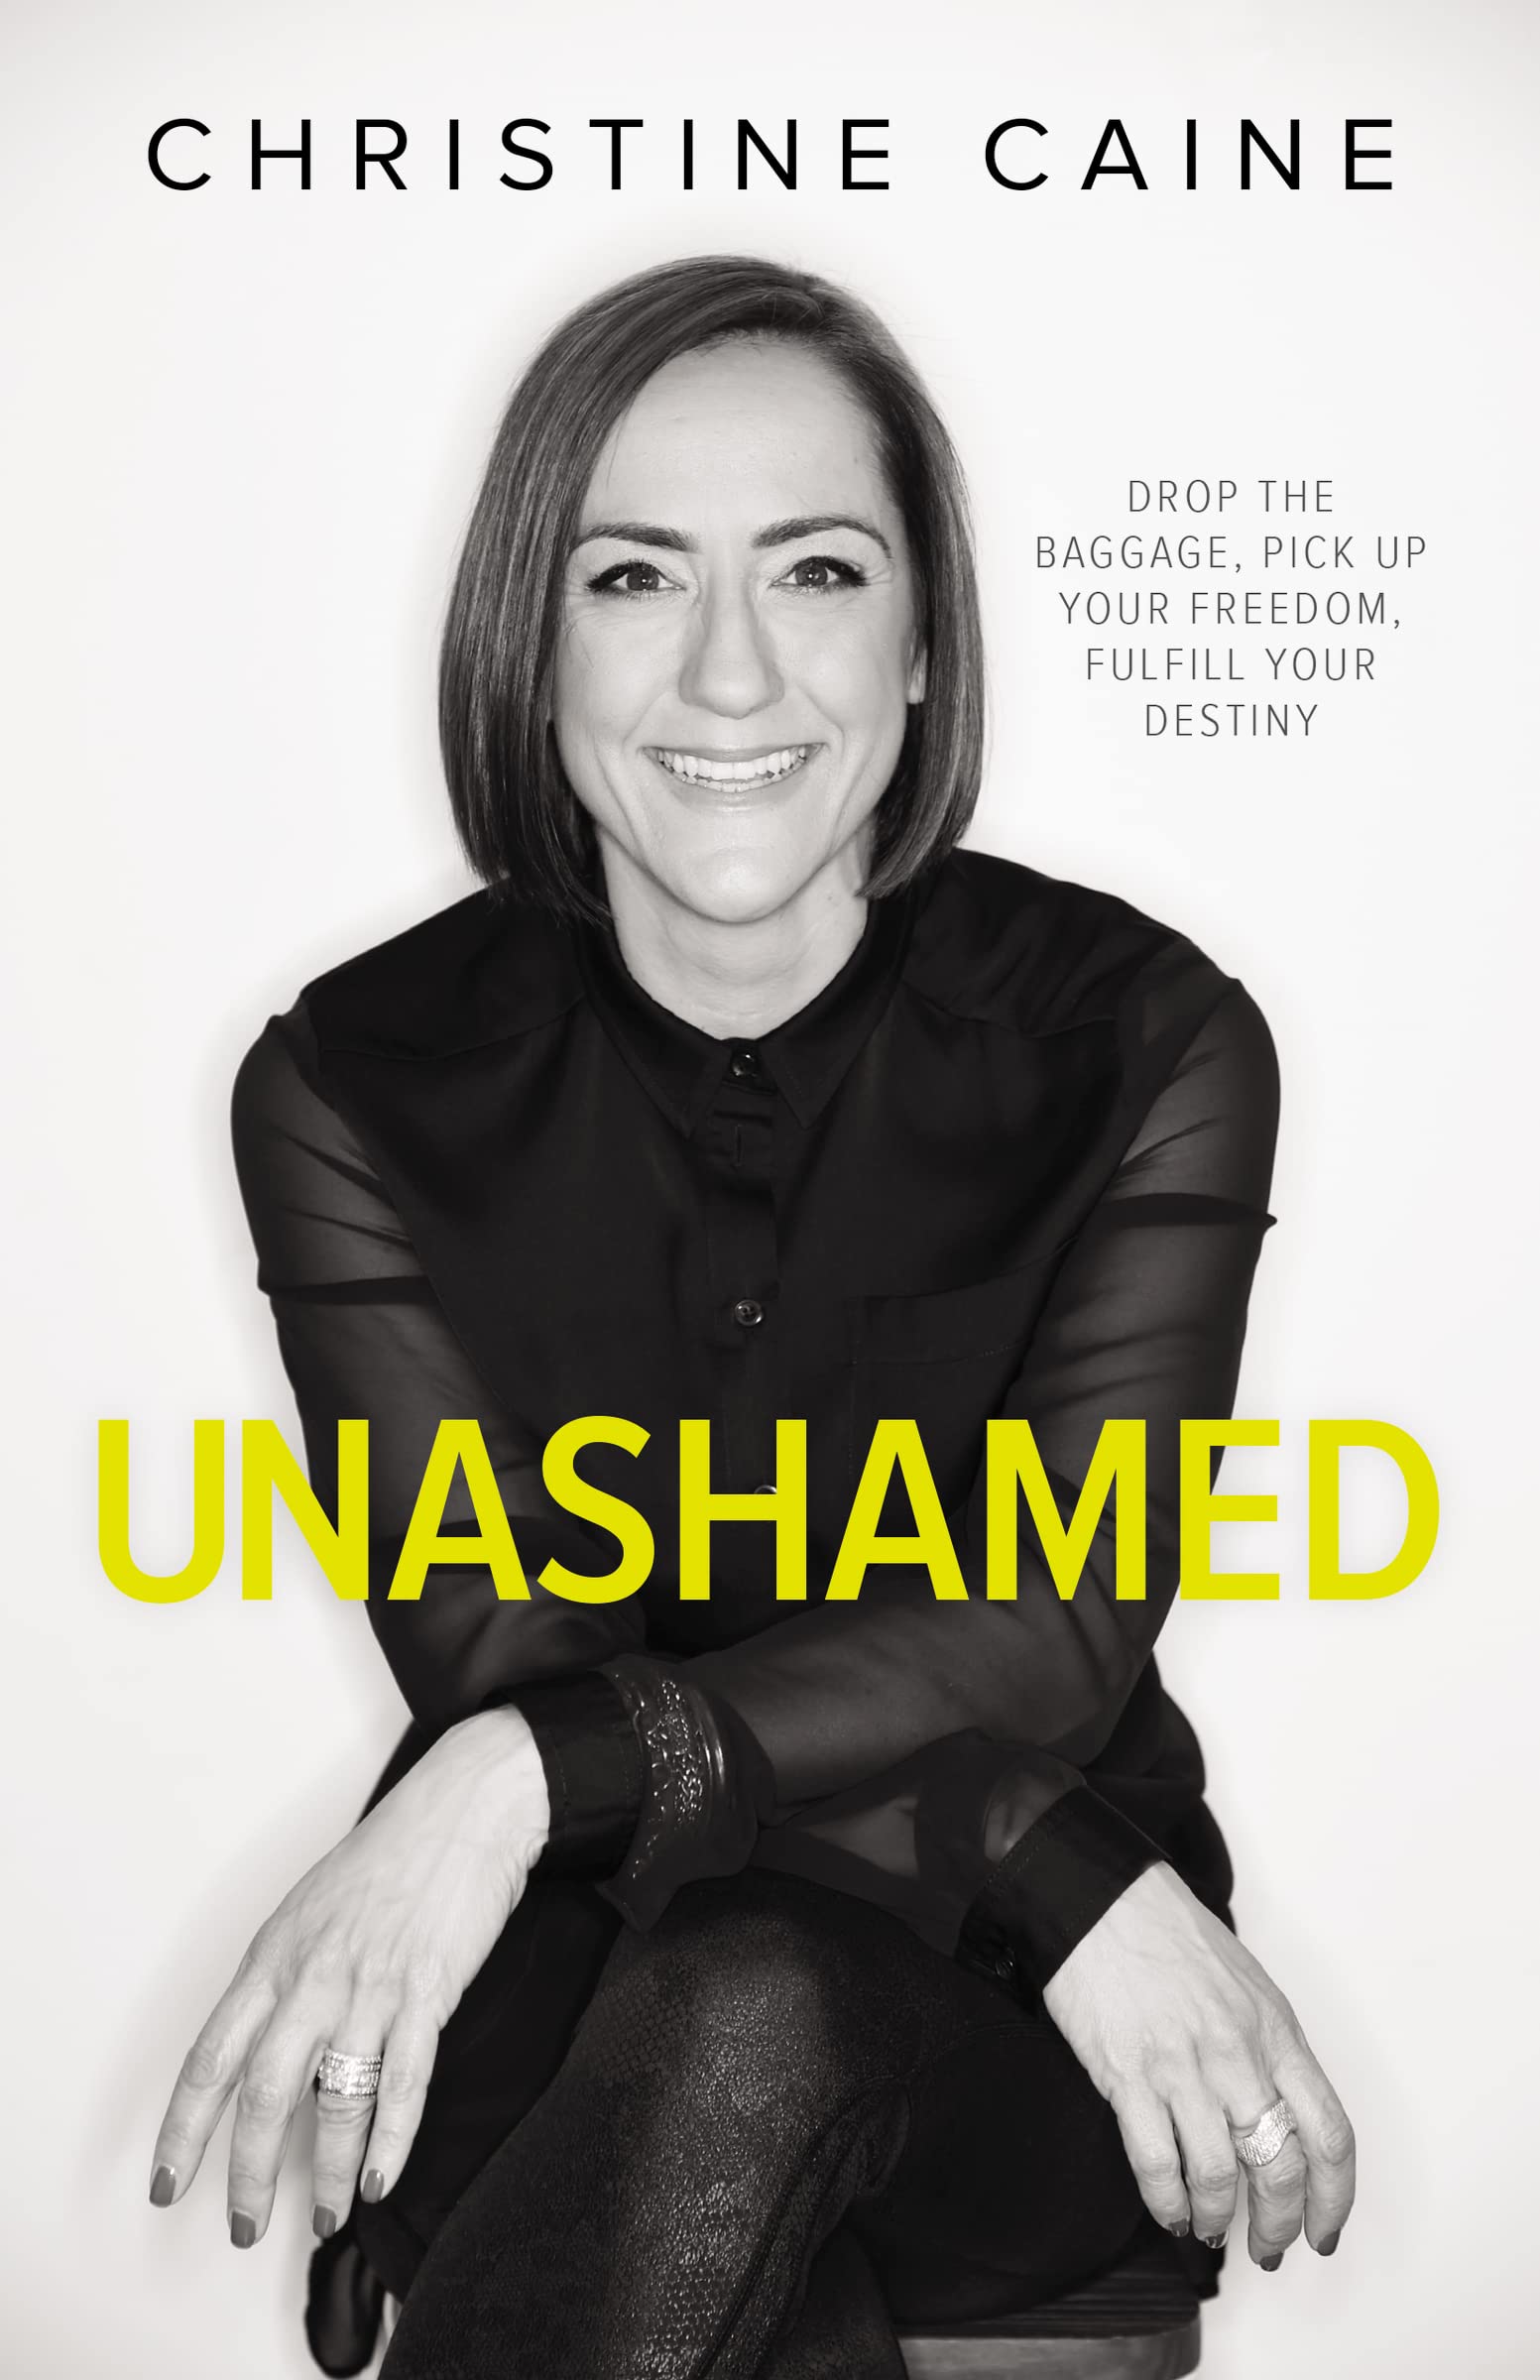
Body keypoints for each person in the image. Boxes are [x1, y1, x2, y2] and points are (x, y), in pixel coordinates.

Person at [146, 254, 1356, 2377]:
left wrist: (511, 1781)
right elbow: (502, 1647)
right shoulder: (349, 1081)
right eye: (632, 577)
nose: (727, 670)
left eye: (814, 570)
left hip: (1003, 2031)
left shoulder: (1145, 1038)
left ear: (920, 640)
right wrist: (1026, 1839)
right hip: (623, 1978)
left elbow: (1053, 1618)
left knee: (759, 2000)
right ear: (527, 643)